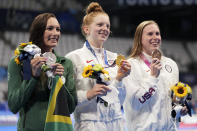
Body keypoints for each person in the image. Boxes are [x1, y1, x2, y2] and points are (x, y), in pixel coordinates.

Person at [66, 2, 131, 131]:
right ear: (86, 29)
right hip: (89, 124)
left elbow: (121, 99)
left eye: (108, 25)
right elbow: (67, 99)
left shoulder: (116, 58)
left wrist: (119, 79)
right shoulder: (72, 58)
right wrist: (88, 94)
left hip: (116, 123)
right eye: (100, 25)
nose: (105, 28)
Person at [8, 13, 77, 131]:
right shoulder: (20, 62)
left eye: (58, 29)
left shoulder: (65, 64)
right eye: (50, 28)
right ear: (38, 31)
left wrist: (58, 81)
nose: (55, 33)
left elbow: (70, 107)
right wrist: (34, 77)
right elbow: (14, 105)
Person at [123, 20, 188, 131]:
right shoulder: (130, 66)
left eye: (157, 33)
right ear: (140, 39)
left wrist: (179, 109)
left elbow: (172, 100)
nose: (155, 37)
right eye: (150, 34)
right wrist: (152, 77)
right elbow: (135, 103)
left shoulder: (171, 64)